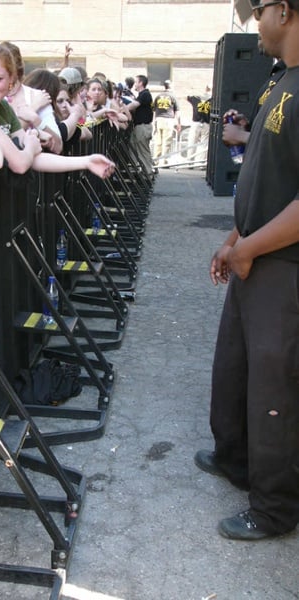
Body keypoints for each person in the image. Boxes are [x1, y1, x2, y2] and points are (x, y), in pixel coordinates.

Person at [194, 0, 299, 540]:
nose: (253, 22)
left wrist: (252, 247)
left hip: (284, 266)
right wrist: (235, 239)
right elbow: (266, 178)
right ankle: (237, 461)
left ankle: (275, 508)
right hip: (254, 255)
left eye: (257, 10)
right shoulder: (281, 82)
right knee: (235, 371)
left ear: (283, 11)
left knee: (274, 391)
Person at [0, 42, 115, 178]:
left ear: (11, 79)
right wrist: (30, 146)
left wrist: (86, 161)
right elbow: (20, 163)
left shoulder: (3, 107)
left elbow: (34, 159)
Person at [1, 41, 62, 154]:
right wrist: (33, 108)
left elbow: (58, 146)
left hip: (38, 167)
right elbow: (6, 140)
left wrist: (37, 121)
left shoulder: (37, 96)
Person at [125, 74, 154, 179]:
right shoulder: (142, 94)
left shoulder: (145, 94)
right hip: (139, 127)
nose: (134, 85)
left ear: (141, 83)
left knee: (143, 150)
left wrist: (122, 108)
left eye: (136, 82)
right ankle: (136, 169)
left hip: (143, 127)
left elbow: (134, 105)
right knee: (133, 146)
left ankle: (148, 173)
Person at [152, 79, 181, 165]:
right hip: (168, 120)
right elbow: (177, 111)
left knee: (158, 141)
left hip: (158, 119)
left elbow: (154, 110)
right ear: (171, 86)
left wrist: (154, 121)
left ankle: (156, 159)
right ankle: (163, 160)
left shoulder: (158, 96)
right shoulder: (173, 96)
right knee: (167, 141)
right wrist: (178, 122)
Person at [186, 85, 211, 164]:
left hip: (196, 123)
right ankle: (200, 162)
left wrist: (192, 90)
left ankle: (190, 161)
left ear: (205, 88)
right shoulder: (213, 100)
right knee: (203, 144)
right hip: (206, 123)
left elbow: (187, 97)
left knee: (192, 142)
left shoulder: (196, 98)